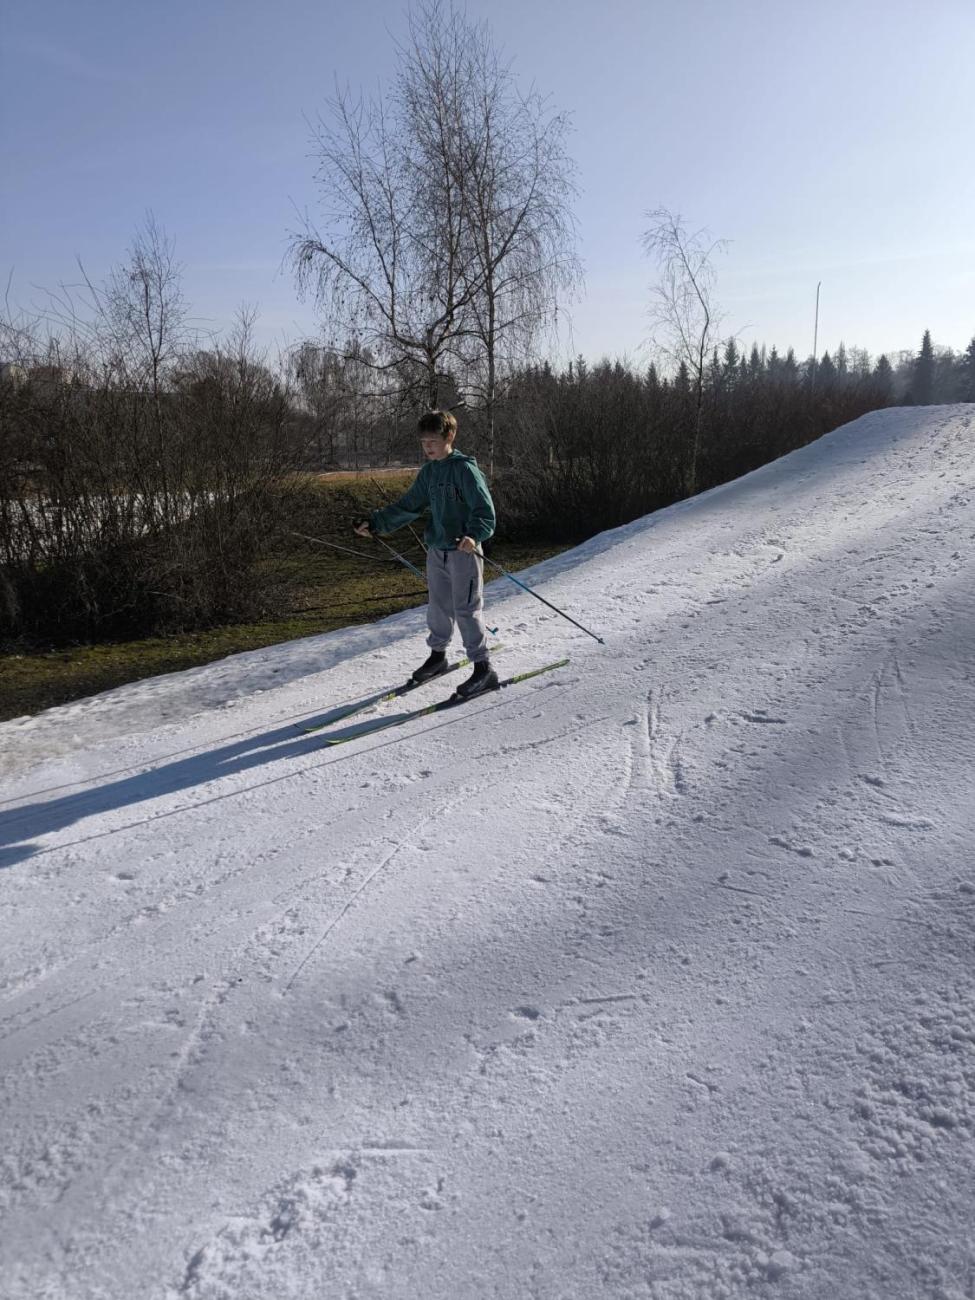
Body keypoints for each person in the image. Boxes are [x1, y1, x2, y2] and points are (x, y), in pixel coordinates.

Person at [354, 410, 499, 699]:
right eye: (423, 442)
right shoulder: (429, 473)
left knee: (466, 609)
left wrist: (473, 536)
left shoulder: (464, 470)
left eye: (433, 441)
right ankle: (438, 656)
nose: (428, 447)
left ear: (450, 437)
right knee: (438, 607)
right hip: (437, 550)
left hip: (464, 552)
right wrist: (376, 523)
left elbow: (486, 511)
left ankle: (484, 669)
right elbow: (409, 505)